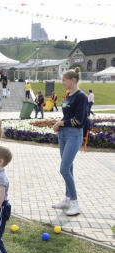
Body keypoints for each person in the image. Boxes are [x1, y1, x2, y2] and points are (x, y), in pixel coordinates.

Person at [52, 68, 88, 216]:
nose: (62, 83)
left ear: (72, 80)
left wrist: (61, 123)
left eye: (64, 80)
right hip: (63, 135)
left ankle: (75, 203)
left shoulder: (81, 97)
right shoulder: (68, 95)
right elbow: (67, 115)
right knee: (69, 168)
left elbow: (79, 121)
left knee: (64, 169)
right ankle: (67, 199)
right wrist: (59, 122)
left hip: (74, 135)